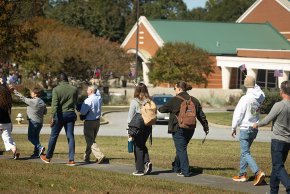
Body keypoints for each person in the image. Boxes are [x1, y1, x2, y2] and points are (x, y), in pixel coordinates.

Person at [159, 81, 209, 177]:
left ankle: (185, 171)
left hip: (178, 128)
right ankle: (176, 167)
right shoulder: (194, 100)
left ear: (179, 88)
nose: (174, 90)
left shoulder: (175, 100)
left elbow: (162, 109)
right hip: (190, 128)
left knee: (181, 149)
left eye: (175, 88)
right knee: (181, 148)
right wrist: (205, 127)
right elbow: (201, 115)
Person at [253, 80, 290, 194]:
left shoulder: (279, 105)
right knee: (276, 166)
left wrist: (257, 124)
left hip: (278, 140)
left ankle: (289, 186)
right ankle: (273, 191)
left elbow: (267, 120)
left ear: (282, 91)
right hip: (288, 141)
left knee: (278, 167)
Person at [231, 75, 266, 185]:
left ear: (245, 85)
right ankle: (242, 174)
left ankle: (258, 172)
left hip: (245, 128)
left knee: (245, 152)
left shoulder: (245, 98)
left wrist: (233, 127)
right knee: (244, 152)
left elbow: (238, 114)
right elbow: (261, 93)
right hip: (254, 128)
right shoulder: (259, 97)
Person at [40, 72, 78, 166]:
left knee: (54, 135)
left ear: (59, 80)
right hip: (71, 114)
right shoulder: (74, 89)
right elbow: (75, 101)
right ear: (67, 79)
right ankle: (71, 159)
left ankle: (48, 157)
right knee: (70, 136)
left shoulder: (56, 89)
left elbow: (55, 105)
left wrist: (52, 116)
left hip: (60, 115)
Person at [12, 87, 47, 158]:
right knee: (36, 138)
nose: (31, 93)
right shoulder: (42, 102)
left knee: (30, 137)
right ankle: (37, 153)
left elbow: (22, 98)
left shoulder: (33, 101)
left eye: (32, 92)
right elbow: (45, 112)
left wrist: (14, 91)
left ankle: (40, 147)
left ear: (35, 94)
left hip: (33, 122)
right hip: (40, 122)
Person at [127, 83, 153, 176]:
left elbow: (130, 116)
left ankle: (139, 170)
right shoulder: (149, 100)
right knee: (142, 145)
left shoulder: (135, 101)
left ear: (137, 91)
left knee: (137, 147)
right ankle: (147, 162)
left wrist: (129, 130)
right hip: (148, 126)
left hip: (137, 126)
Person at [79, 85, 105, 164]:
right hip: (97, 122)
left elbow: (83, 112)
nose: (87, 91)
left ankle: (100, 156)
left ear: (90, 91)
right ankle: (86, 157)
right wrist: (95, 88)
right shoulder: (99, 98)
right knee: (91, 140)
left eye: (87, 90)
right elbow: (98, 93)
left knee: (90, 140)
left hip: (89, 122)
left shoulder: (88, 100)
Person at [0, 81, 19, 159]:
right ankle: (14, 149)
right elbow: (9, 113)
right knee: (8, 139)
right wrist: (11, 123)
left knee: (6, 139)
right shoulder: (7, 103)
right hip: (6, 122)